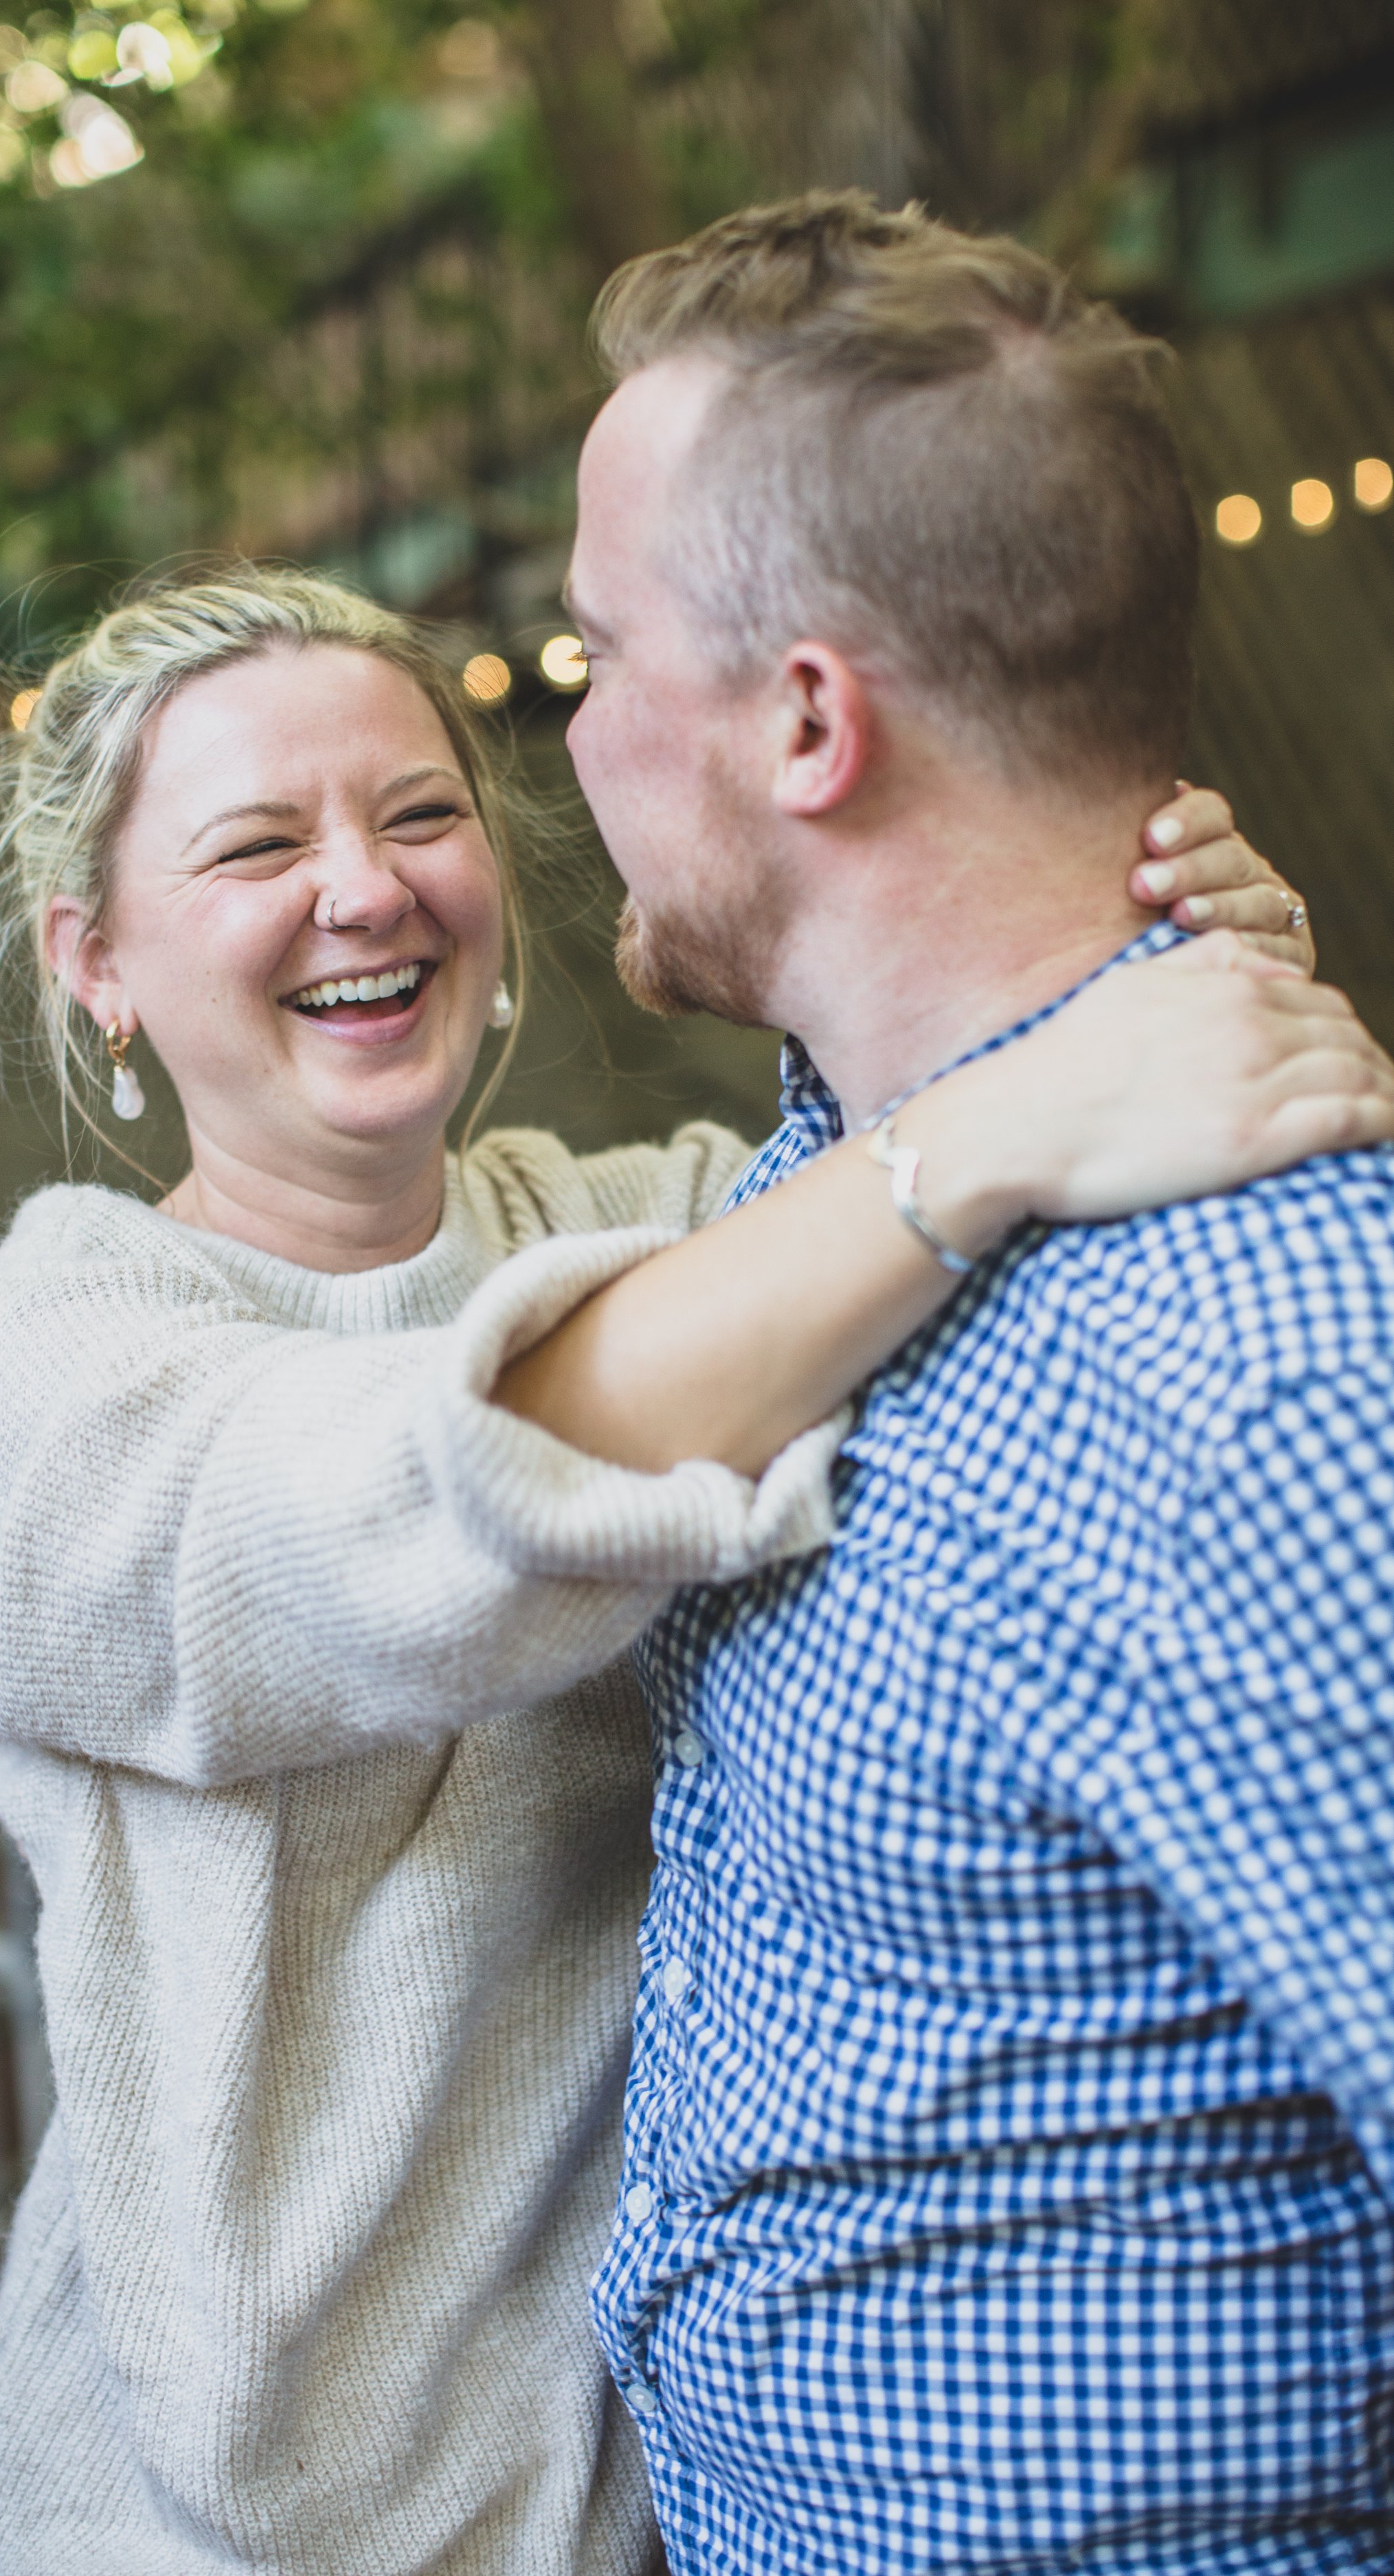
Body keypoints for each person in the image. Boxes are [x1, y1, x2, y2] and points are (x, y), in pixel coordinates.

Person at [0, 566, 1386, 2576]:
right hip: (210, 2523)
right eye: (256, 846)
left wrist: (1151, 971)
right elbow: (402, 1514)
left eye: (418, 817)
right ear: (100, 965)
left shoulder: (687, 1224)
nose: (364, 890)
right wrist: (1003, 1116)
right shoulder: (36, 1364)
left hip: (657, 2503)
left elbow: (991, 1173)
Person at [505, 190, 1394, 2575]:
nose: (569, 722)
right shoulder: (812, 1216)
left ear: (806, 719)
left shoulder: (1267, 1384)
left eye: (595, 649)